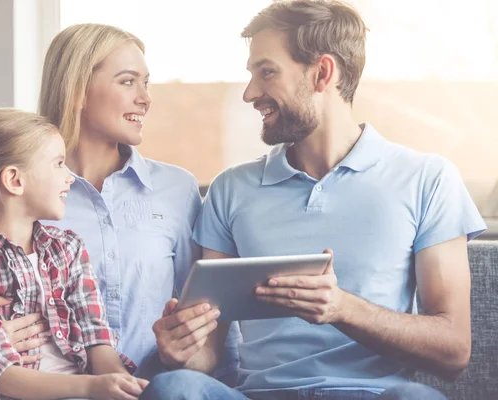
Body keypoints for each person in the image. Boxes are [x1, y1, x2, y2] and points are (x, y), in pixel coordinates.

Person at [142, 1, 486, 399]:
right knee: (175, 388)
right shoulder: (230, 189)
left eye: (267, 72)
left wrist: (342, 308)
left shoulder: (428, 179)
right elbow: (207, 356)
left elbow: (454, 350)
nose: (251, 93)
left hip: (374, 395)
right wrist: (179, 348)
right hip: (258, 395)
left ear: (322, 73)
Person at [0, 24, 240, 385]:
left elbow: (210, 326)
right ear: (78, 90)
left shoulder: (176, 189)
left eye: (146, 82)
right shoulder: (26, 192)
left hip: (152, 385)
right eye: (128, 81)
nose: (146, 97)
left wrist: (189, 363)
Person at [0, 109, 148, 399]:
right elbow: (2, 376)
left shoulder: (69, 249)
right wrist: (93, 386)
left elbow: (97, 340)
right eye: (58, 164)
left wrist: (121, 384)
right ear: (14, 180)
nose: (69, 178)